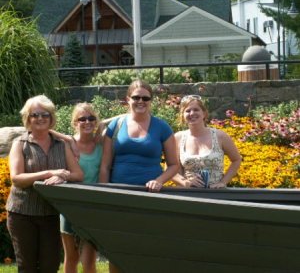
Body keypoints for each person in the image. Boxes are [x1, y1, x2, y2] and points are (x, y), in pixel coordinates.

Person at [99, 79, 178, 273]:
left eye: (145, 97)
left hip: (150, 196)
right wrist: (102, 194)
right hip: (118, 194)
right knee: (116, 247)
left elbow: (174, 165)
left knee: (148, 246)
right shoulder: (116, 125)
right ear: (128, 99)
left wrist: (159, 181)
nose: (140, 101)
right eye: (136, 97)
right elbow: (105, 165)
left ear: (151, 100)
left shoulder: (162, 127)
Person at [6, 94, 84, 273]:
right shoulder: (20, 144)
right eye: (35, 115)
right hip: (22, 213)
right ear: (27, 118)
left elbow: (78, 174)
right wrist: (50, 173)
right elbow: (17, 178)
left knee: (50, 266)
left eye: (45, 114)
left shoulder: (61, 144)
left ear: (51, 118)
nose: (40, 118)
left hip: (50, 214)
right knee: (27, 267)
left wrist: (63, 177)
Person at [51, 102, 102, 273]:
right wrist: (68, 138)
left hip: (93, 206)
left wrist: (102, 124)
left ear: (96, 121)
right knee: (71, 256)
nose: (87, 122)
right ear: (75, 123)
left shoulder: (101, 145)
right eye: (82, 119)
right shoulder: (67, 145)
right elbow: (41, 129)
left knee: (89, 259)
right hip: (70, 205)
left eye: (91, 118)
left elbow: (125, 116)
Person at [172, 95, 242, 188]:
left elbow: (236, 160)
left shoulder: (220, 136)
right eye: (187, 111)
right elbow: (170, 168)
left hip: (215, 195)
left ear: (204, 113)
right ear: (182, 115)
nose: (192, 113)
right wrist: (185, 182)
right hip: (187, 195)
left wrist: (223, 182)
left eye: (196, 110)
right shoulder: (178, 138)